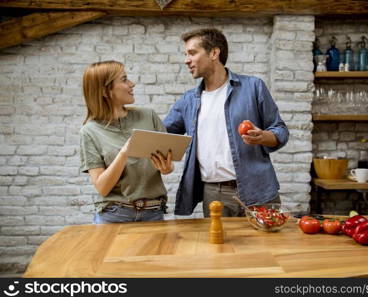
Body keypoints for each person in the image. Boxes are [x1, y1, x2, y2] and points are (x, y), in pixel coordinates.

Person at [164, 28, 289, 217]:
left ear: (214, 53)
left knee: (267, 246)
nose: (186, 60)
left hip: (259, 189)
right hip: (214, 195)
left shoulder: (253, 87)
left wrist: (264, 137)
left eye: (192, 53)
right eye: (186, 54)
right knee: (219, 247)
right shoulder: (188, 100)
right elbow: (161, 134)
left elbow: (280, 130)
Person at [79, 60, 173, 224]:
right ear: (105, 91)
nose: (132, 84)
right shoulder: (90, 131)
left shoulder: (148, 116)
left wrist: (166, 168)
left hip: (153, 213)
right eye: (124, 80)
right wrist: (124, 152)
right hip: (113, 215)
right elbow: (102, 187)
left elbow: (168, 166)